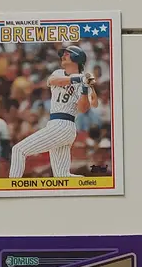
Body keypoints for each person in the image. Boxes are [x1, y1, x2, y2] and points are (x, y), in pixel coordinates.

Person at [8, 45, 98, 179]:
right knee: (62, 176)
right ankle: (85, 184)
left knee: (18, 150)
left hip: (64, 125)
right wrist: (80, 79)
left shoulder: (83, 83)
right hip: (56, 125)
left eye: (67, 54)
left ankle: (12, 188)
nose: (63, 56)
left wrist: (86, 87)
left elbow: (84, 108)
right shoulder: (58, 73)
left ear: (76, 58)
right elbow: (52, 81)